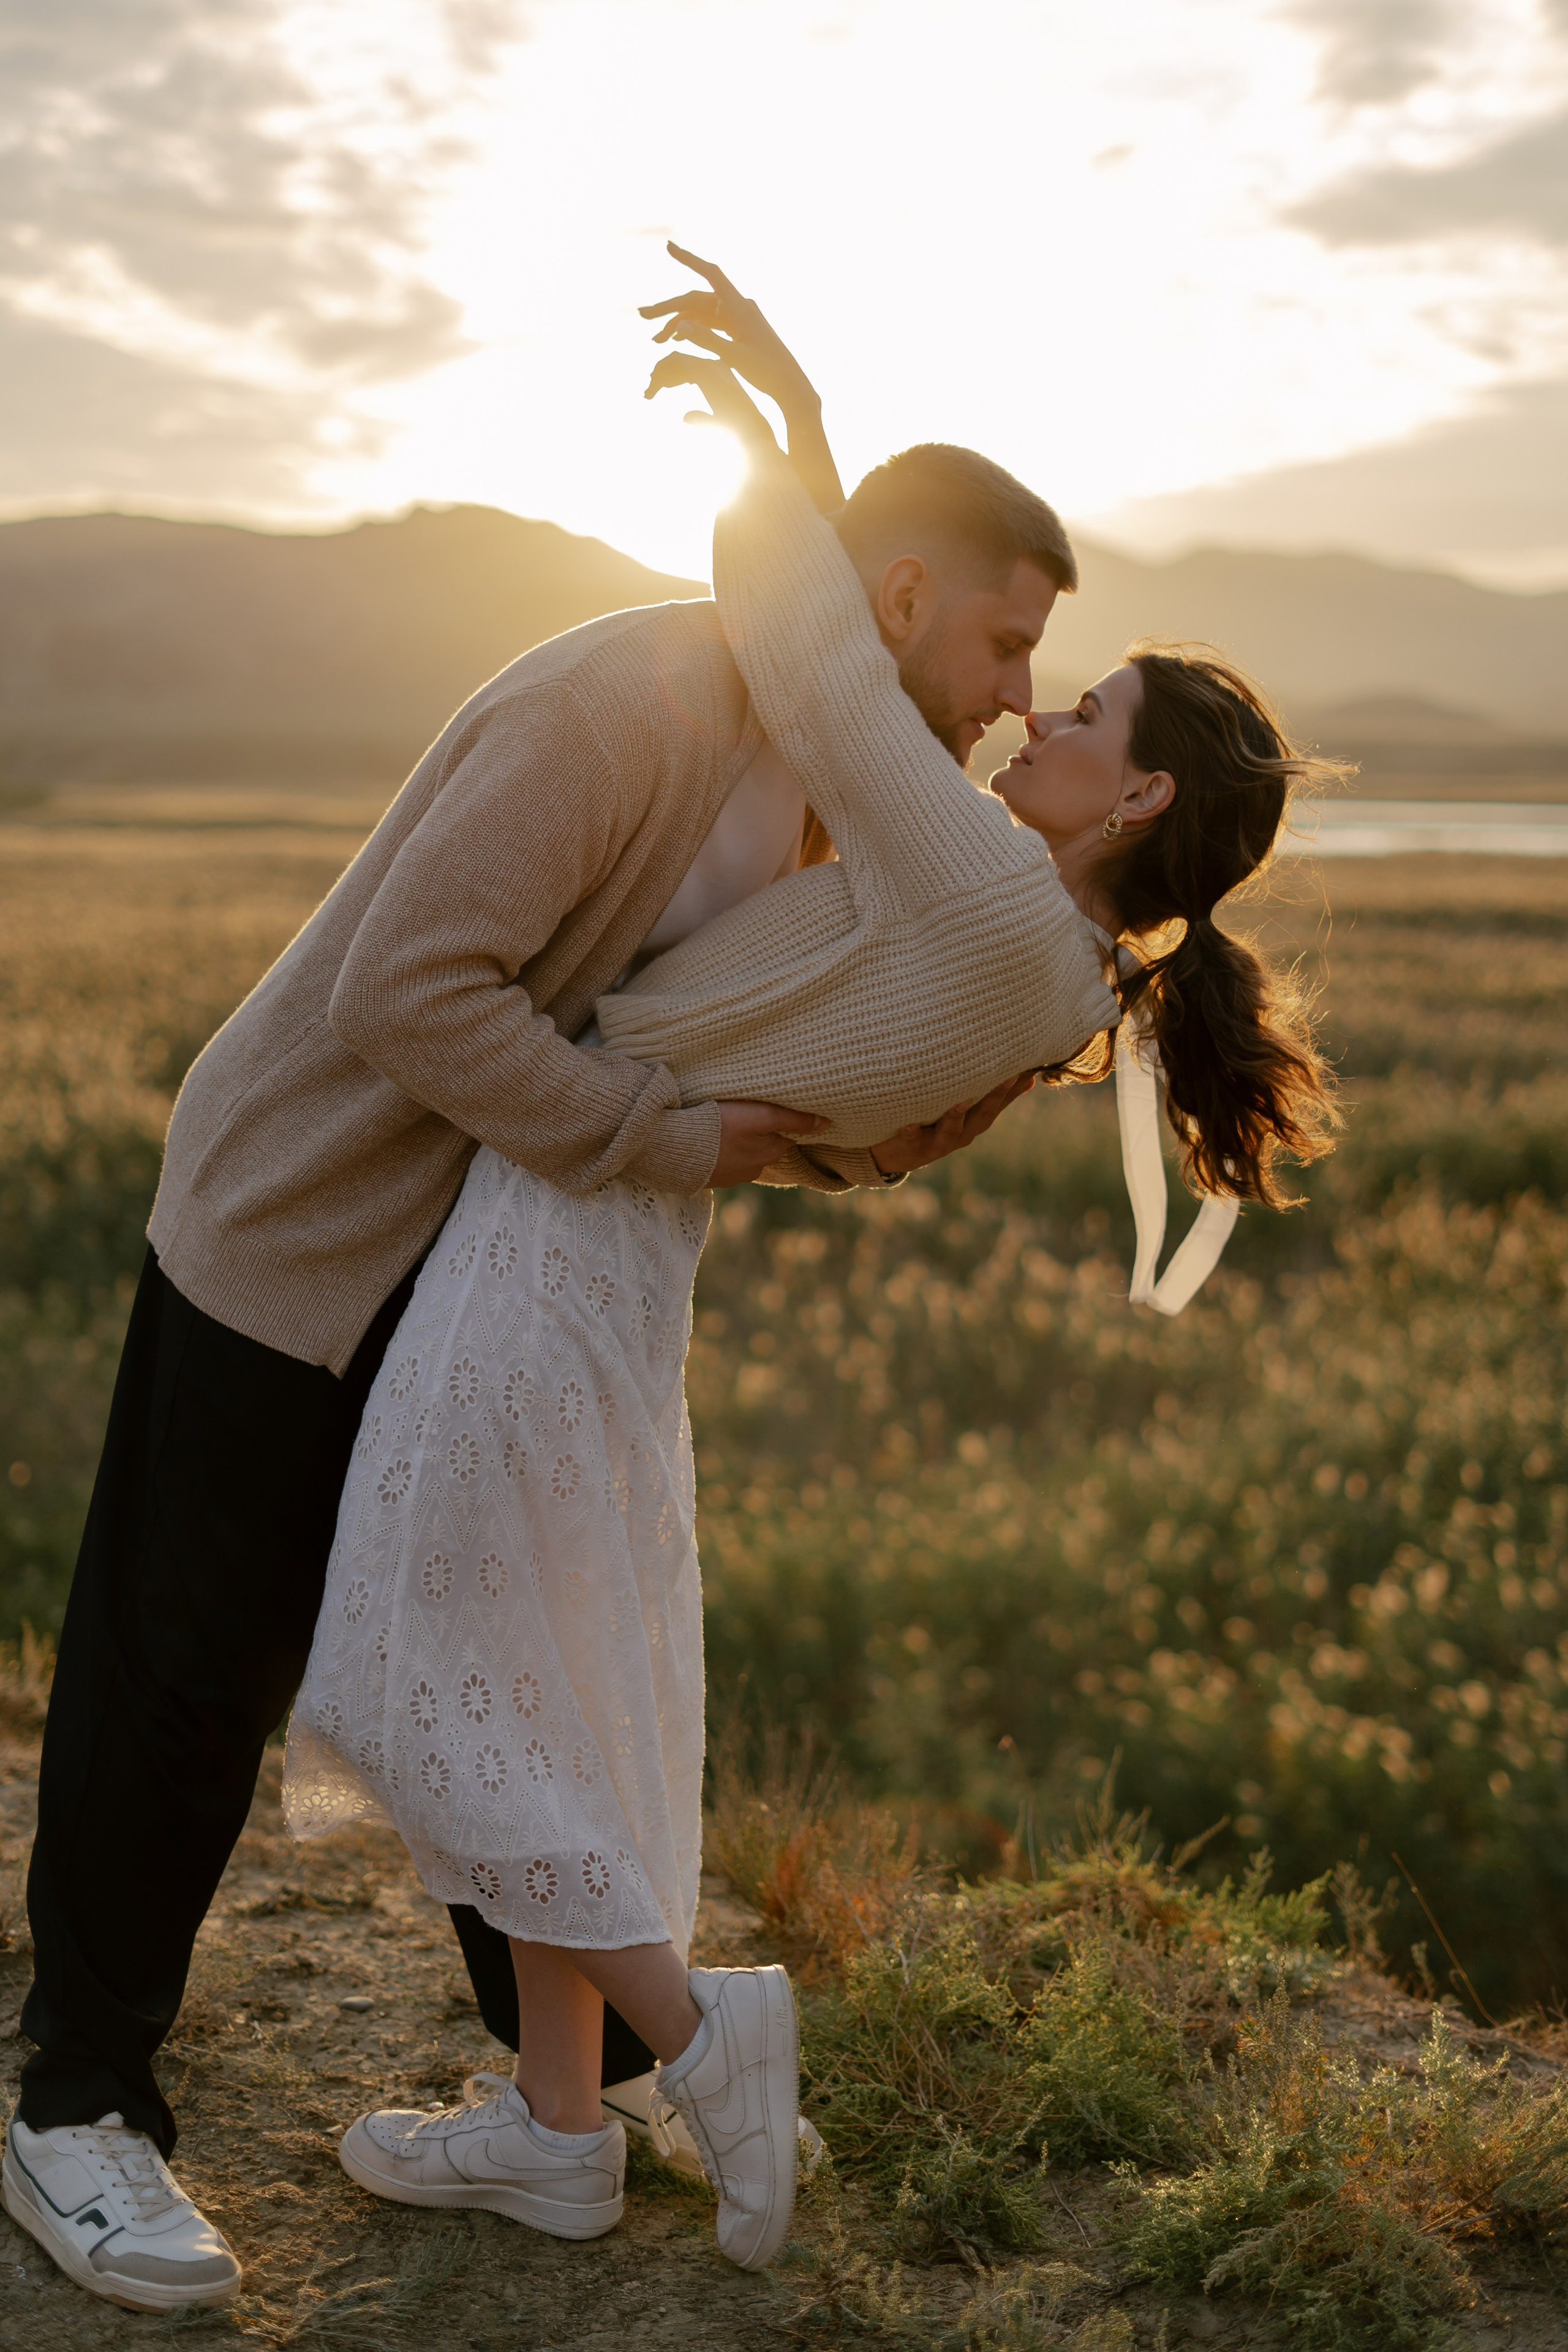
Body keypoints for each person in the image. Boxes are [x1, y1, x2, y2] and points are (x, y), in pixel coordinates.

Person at [3, 253, 1084, 2316]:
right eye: (1012, 642)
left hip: (464, 1254)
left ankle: (563, 2102)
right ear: (897, 607)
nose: (1023, 696)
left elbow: (759, 1049)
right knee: (190, 1666)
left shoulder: (846, 813)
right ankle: (76, 2109)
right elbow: (420, 992)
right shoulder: (637, 704)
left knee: (498, 1657)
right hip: (304, 1216)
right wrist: (661, 1144)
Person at [278, 256, 1338, 2280]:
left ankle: (705, 2033)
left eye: (1082, 708)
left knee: (419, 1672)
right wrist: (834, 462)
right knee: (562, 1676)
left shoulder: (995, 919)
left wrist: (789, 446)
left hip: (558, 1226)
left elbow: (827, 660)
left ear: (1140, 801)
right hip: (615, 1241)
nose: (1033, 704)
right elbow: (885, 732)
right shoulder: (1035, 953)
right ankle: (555, 2133)